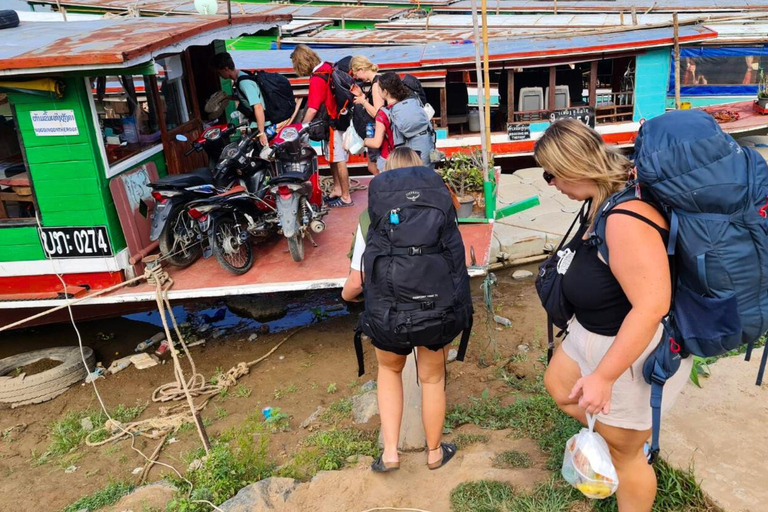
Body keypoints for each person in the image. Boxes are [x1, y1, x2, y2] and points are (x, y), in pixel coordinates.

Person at [535, 119, 692, 512]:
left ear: (572, 168)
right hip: (591, 332)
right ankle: (624, 438)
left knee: (627, 453)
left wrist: (605, 376)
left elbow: (652, 306)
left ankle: (630, 450)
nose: (550, 183)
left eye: (550, 174)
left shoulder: (625, 218)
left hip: (629, 350)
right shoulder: (603, 201)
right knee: (559, 384)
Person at [342, 147, 458, 473]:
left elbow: (356, 282)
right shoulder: (441, 207)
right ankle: (434, 453)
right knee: (432, 379)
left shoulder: (371, 216)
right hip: (435, 311)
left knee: (390, 371)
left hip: (389, 314)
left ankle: (391, 453)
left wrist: (346, 296)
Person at [290, 44, 352, 207]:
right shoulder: (327, 67)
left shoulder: (317, 78)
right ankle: (337, 190)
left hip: (332, 123)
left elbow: (312, 108)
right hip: (337, 119)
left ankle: (346, 197)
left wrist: (301, 127)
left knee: (338, 160)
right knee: (333, 158)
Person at [211, 52, 269, 148]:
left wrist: (261, 133)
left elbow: (257, 106)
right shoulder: (240, 76)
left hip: (263, 125)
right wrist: (229, 97)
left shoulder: (244, 83)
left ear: (226, 69)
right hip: (259, 124)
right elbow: (247, 98)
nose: (219, 75)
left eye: (219, 72)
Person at [350, 55, 385, 176]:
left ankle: (384, 188)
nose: (357, 78)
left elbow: (378, 113)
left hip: (377, 131)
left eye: (356, 74)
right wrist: (362, 95)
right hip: (376, 131)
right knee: (373, 166)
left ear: (361, 69)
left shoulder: (376, 85)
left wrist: (363, 102)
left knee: (374, 166)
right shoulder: (377, 81)